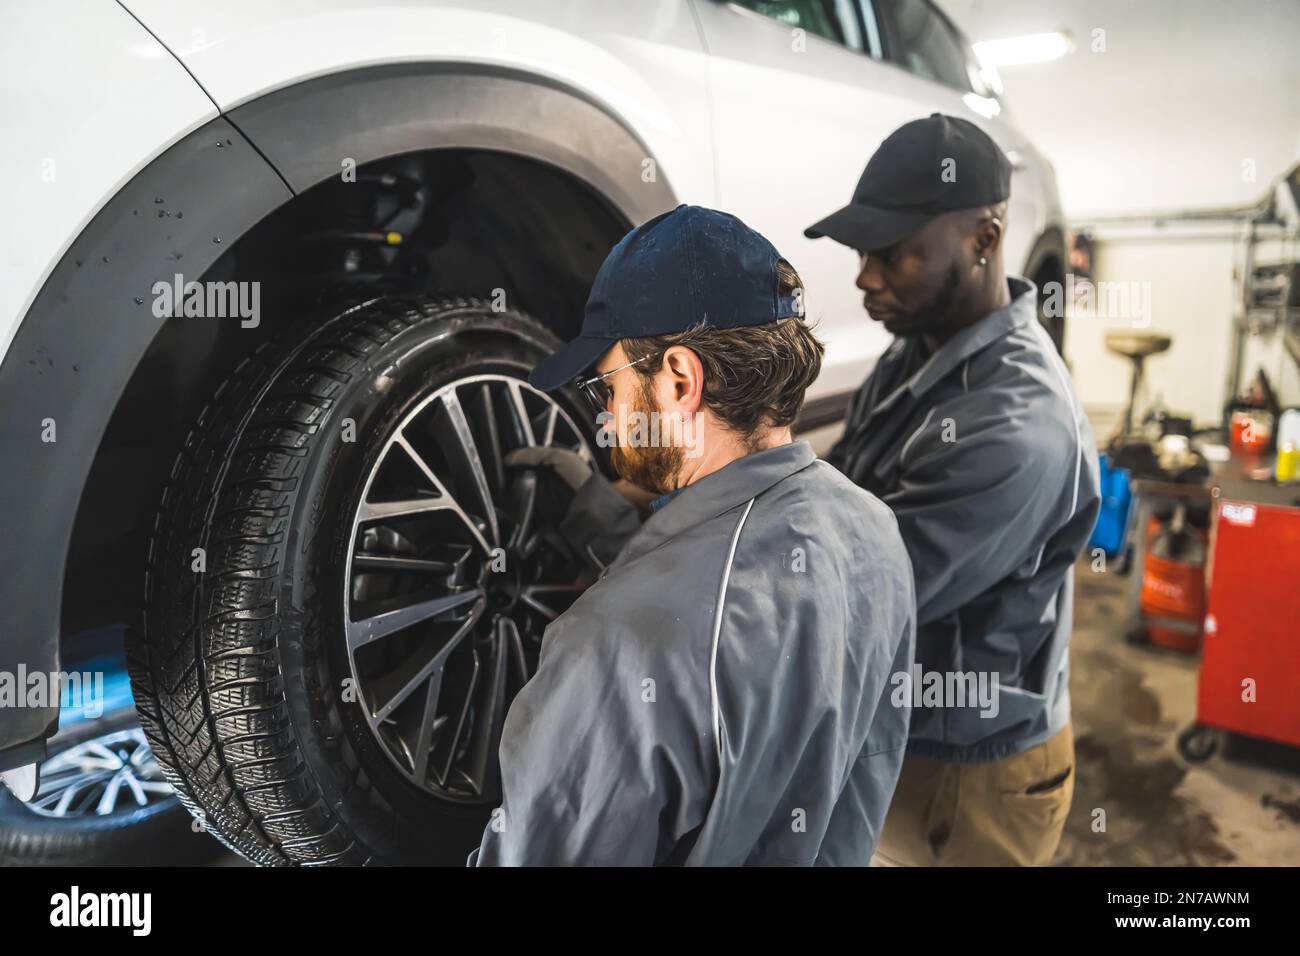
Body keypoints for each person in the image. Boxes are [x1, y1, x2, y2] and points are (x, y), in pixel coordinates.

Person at [470, 205, 915, 866]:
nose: (608, 424)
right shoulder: (873, 531)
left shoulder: (616, 648)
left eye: (606, 388)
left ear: (680, 380)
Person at [804, 114, 1101, 866]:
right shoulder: (914, 354)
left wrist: (660, 543)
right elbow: (837, 498)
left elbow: (851, 598)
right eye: (863, 252)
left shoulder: (1017, 426)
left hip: (976, 778)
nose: (866, 277)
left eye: (896, 255)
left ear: (985, 238)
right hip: (905, 732)